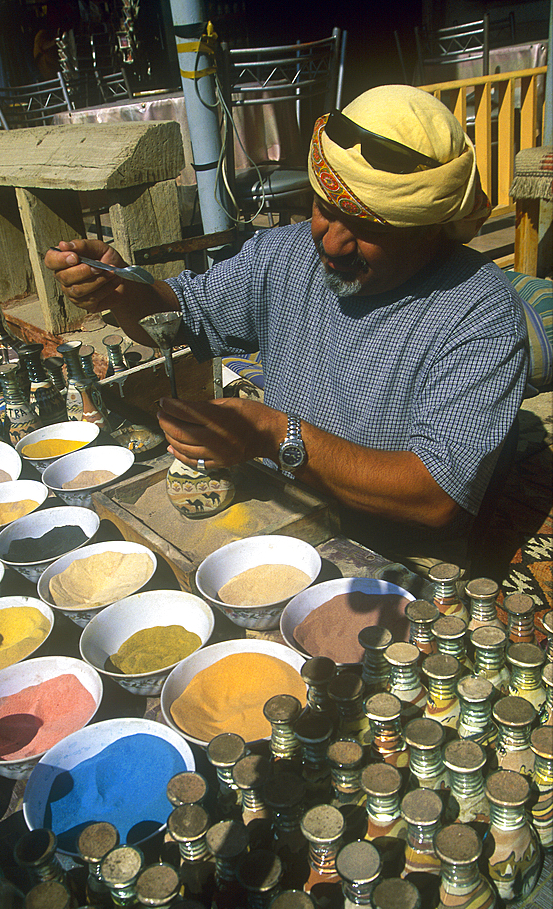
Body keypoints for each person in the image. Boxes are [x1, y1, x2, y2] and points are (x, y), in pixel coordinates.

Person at [44, 85, 528, 575]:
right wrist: (119, 291)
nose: (333, 242)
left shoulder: (479, 311)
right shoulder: (286, 255)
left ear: (429, 227)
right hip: (281, 513)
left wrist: (273, 434)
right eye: (326, 208)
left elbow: (437, 496)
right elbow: (181, 310)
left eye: (369, 228)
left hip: (398, 555)